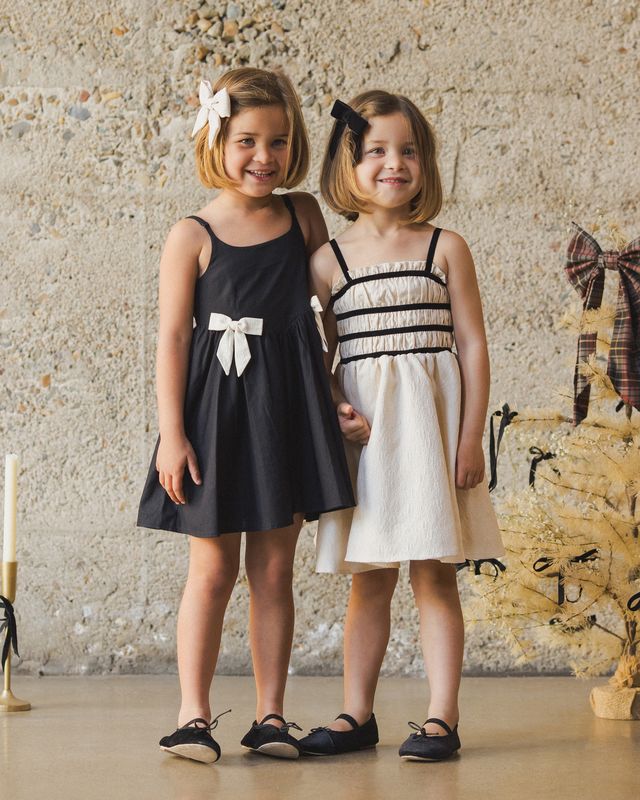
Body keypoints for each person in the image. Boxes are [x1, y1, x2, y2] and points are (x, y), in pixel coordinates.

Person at [137, 68, 354, 764]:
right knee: (211, 571)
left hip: (285, 409)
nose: (265, 156)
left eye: (280, 142)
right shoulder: (192, 232)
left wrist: (335, 388)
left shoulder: (304, 216)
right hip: (215, 416)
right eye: (248, 141)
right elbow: (173, 337)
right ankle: (193, 715)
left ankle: (270, 716)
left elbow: (333, 313)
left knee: (272, 571)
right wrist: (173, 434)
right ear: (216, 140)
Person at [299, 91, 504, 762]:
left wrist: (471, 437)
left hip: (435, 439)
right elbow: (319, 359)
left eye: (408, 150)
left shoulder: (446, 248)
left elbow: (472, 345)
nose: (395, 163)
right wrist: (334, 401)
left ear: (426, 162)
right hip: (373, 446)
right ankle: (358, 713)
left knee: (434, 575)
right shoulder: (329, 262)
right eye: (377, 150)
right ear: (347, 163)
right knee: (371, 578)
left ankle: (442, 716)